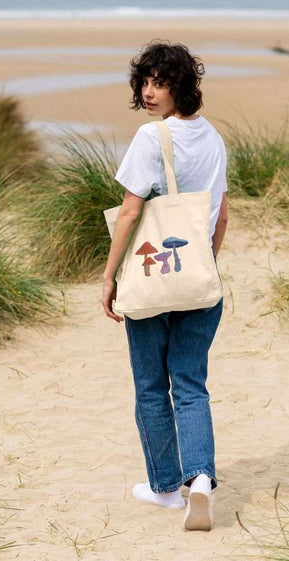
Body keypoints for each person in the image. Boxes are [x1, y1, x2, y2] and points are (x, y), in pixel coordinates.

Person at [101, 41, 228, 531]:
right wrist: (209, 263)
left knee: (153, 387)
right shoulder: (214, 138)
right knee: (191, 384)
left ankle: (165, 489)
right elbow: (221, 215)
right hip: (201, 275)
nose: (150, 93)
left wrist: (109, 275)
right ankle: (199, 480)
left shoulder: (151, 138)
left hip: (154, 278)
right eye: (145, 83)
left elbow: (131, 212)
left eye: (161, 82)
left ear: (182, 86)